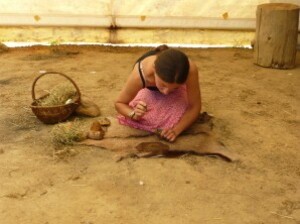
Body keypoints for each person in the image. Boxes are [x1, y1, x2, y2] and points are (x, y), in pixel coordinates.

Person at [114, 45, 201, 142]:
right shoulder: (139, 75)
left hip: (176, 90)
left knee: (178, 117)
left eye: (175, 87)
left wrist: (176, 130)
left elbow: (194, 106)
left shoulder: (190, 69)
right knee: (149, 118)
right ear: (154, 69)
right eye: (163, 85)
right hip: (148, 90)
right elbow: (119, 103)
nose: (166, 92)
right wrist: (133, 114)